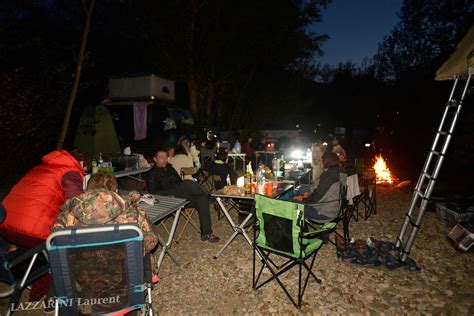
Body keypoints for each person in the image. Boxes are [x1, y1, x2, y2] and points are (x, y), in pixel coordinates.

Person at [0, 149, 89, 301]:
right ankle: (42, 296)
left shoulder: (41, 167)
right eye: (85, 168)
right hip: (29, 231)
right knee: (61, 249)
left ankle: (17, 258)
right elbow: (76, 204)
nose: (84, 171)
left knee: (35, 242)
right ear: (80, 163)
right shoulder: (71, 171)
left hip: (5, 223)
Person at [55, 173, 160, 273]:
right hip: (127, 276)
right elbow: (152, 241)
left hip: (81, 281)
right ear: (116, 190)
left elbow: (57, 246)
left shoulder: (66, 216)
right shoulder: (133, 213)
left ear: (87, 190)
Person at [147, 148, 220, 243]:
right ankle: (213, 198)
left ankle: (206, 233)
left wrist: (183, 191)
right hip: (169, 199)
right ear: (155, 159)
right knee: (186, 183)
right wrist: (172, 192)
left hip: (182, 197)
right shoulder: (152, 173)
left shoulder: (170, 168)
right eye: (161, 157)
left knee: (201, 198)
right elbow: (153, 193)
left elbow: (179, 182)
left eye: (165, 157)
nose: (164, 160)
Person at [293, 152, 344, 221]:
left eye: (321, 160)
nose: (320, 162)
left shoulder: (329, 177)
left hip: (325, 212)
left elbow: (317, 197)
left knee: (292, 203)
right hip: (333, 207)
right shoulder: (337, 171)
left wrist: (302, 199)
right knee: (300, 190)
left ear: (327, 162)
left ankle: (297, 226)